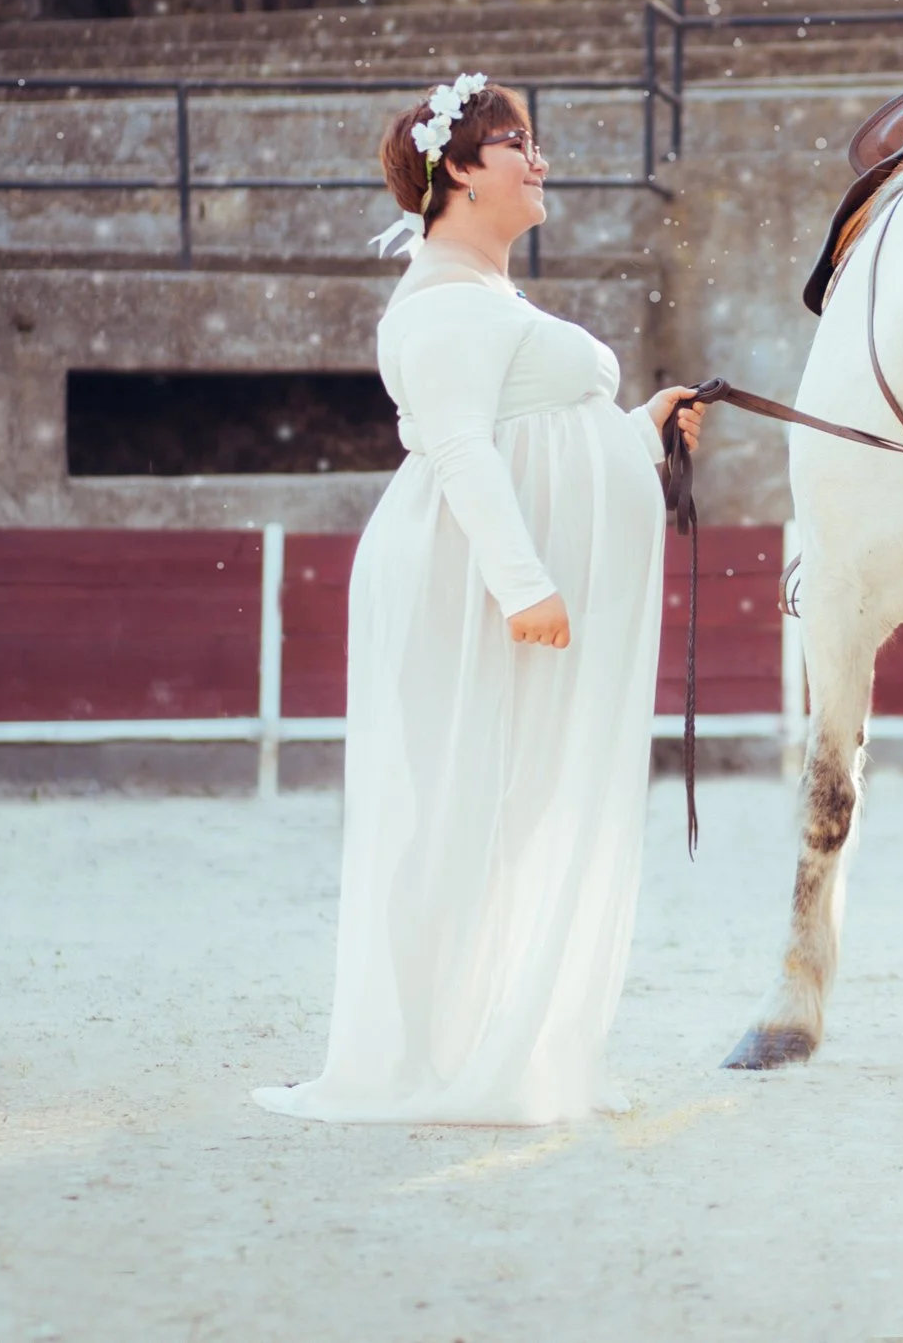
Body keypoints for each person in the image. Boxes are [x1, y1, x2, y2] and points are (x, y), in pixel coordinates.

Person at [255, 72, 704, 1126]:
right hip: (470, 591)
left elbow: (531, 434)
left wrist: (638, 430)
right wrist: (524, 586)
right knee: (467, 806)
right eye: (516, 142)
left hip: (492, 587)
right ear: (457, 168)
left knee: (505, 810)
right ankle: (427, 1052)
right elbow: (460, 444)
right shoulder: (446, 300)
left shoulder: (484, 298)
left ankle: (481, 1038)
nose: (538, 159)